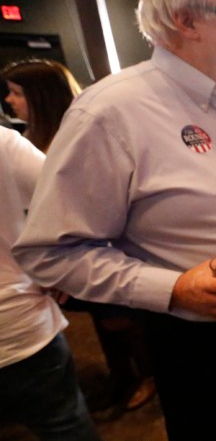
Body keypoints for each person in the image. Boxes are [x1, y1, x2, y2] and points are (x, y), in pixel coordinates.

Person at [13, 0, 216, 439]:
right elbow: (49, 253)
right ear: (186, 21)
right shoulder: (110, 112)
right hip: (203, 346)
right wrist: (173, 289)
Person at [2, 58, 157, 413]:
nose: (10, 101)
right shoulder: (30, 138)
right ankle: (123, 377)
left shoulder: (72, 137)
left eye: (17, 93)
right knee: (106, 325)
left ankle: (144, 376)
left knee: (119, 321)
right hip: (68, 252)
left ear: (42, 96)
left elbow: (80, 204)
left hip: (95, 248)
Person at [0, 126, 99, 441]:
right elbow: (74, 201)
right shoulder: (4, 143)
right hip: (16, 321)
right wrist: (58, 265)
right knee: (63, 425)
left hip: (15, 321)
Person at [2, 58, 81, 152]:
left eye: (17, 93)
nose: (8, 99)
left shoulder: (71, 141)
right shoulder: (32, 132)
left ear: (43, 97)